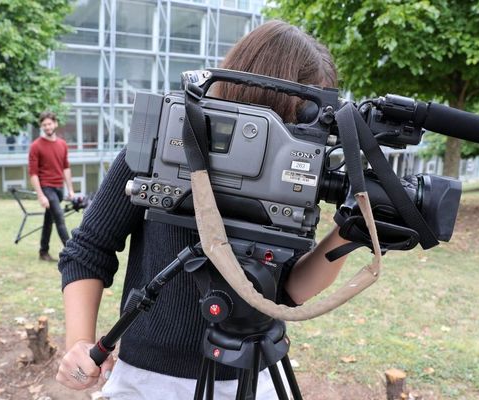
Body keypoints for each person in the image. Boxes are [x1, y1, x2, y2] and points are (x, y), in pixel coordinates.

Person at [56, 20, 350, 398]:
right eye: (299, 119)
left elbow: (289, 291)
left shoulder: (297, 175)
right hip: (149, 380)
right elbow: (88, 249)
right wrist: (79, 343)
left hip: (249, 374)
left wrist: (350, 231)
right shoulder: (163, 144)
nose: (307, 136)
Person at [29, 111, 75, 262]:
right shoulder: (36, 146)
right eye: (44, 125)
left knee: (49, 220)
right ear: (41, 126)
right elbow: (33, 174)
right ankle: (72, 254)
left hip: (58, 188)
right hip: (46, 188)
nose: (47, 127)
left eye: (49, 124)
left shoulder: (62, 144)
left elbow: (66, 168)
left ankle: (43, 251)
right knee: (60, 219)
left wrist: (70, 189)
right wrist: (41, 195)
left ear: (55, 124)